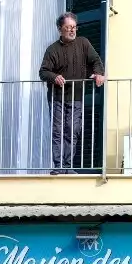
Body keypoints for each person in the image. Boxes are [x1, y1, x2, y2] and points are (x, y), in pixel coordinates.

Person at [38, 12, 105, 173]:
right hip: (57, 98)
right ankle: (59, 167)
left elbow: (95, 60)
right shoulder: (52, 49)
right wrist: (54, 77)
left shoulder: (83, 43)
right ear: (60, 29)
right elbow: (43, 72)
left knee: (72, 130)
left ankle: (67, 167)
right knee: (58, 131)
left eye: (74, 27)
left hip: (76, 97)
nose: (72, 30)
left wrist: (98, 73)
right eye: (68, 27)